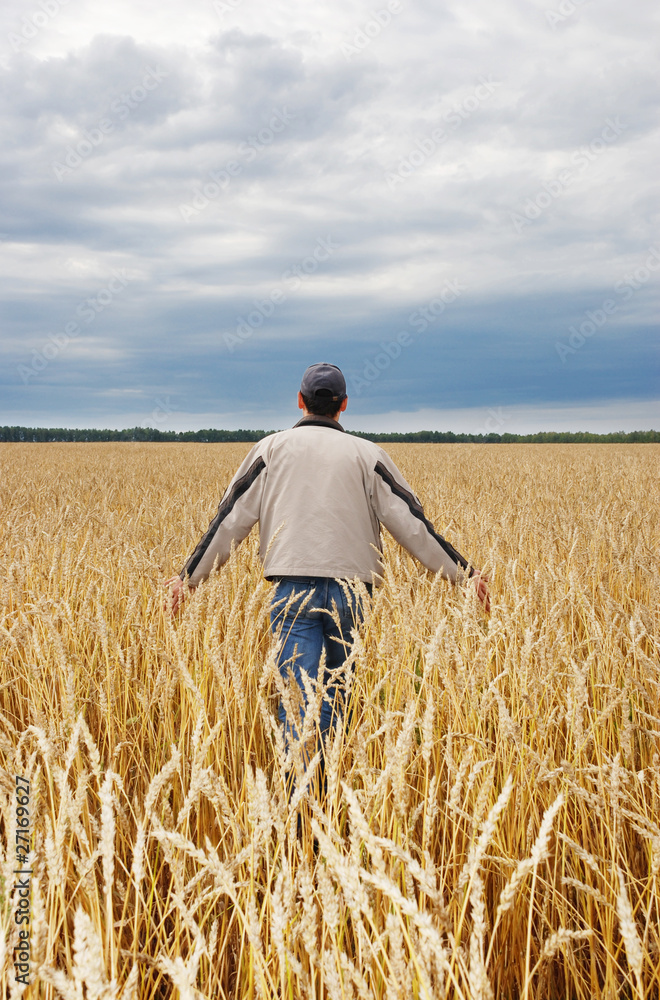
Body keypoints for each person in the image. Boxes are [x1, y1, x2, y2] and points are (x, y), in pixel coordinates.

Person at [164, 362, 489, 795]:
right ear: (344, 406)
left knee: (297, 707)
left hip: (291, 592)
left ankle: (297, 818)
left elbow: (229, 522)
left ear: (300, 401)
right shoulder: (367, 454)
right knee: (336, 700)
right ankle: (332, 802)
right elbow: (412, 525)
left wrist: (187, 580)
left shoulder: (270, 450)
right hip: (354, 594)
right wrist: (465, 576)